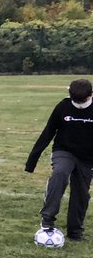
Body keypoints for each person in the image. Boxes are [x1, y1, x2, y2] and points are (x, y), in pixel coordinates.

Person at [25, 78, 93, 242]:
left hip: (88, 158)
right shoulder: (63, 107)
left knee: (81, 193)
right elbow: (48, 132)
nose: (78, 104)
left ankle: (75, 231)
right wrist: (31, 162)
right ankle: (47, 221)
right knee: (60, 175)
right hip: (64, 151)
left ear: (91, 95)